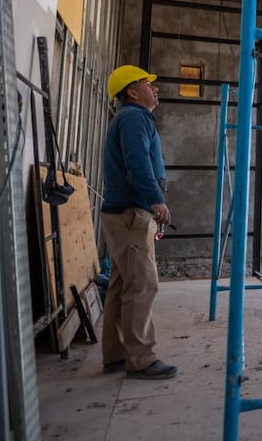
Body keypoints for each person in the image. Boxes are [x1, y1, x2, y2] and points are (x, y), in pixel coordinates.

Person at [98, 65, 177, 380]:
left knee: (122, 285)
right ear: (132, 92)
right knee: (143, 283)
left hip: (123, 212)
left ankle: (116, 354)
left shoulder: (130, 118)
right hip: (131, 213)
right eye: (147, 84)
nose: (154, 88)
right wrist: (155, 198)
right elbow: (138, 161)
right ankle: (141, 360)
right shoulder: (134, 117)